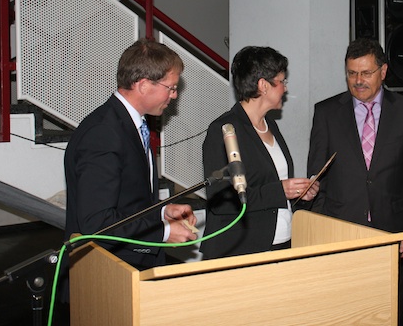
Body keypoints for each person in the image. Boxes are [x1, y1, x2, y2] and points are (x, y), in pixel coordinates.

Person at [62, 38, 197, 297]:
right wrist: (164, 232)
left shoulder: (130, 124)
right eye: (171, 88)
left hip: (131, 267)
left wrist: (162, 211)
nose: (174, 95)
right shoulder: (103, 133)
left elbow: (127, 200)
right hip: (107, 277)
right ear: (143, 85)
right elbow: (97, 223)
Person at [307, 37, 403, 325]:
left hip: (390, 229)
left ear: (383, 71)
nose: (358, 80)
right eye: (351, 73)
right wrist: (320, 227)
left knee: (387, 306)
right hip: (340, 228)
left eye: (366, 73)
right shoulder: (326, 112)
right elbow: (317, 178)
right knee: (343, 308)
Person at [201, 46, 319, 259]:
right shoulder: (224, 129)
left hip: (281, 243)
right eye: (282, 81)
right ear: (264, 85)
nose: (285, 89)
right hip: (241, 250)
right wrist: (280, 191)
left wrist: (300, 194)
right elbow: (221, 200)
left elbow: (274, 187)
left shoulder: (270, 125)